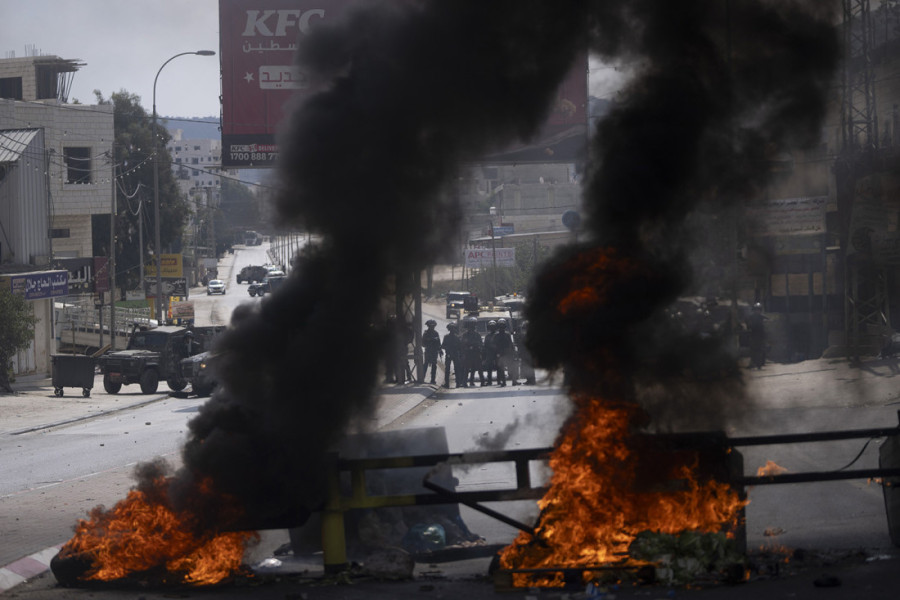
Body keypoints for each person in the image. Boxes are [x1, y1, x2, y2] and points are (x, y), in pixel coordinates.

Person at [460, 317, 483, 387]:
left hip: (476, 353)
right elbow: (463, 344)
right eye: (471, 325)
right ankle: (464, 382)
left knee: (477, 368)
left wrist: (478, 348)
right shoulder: (465, 335)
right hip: (468, 353)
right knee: (466, 369)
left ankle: (474, 381)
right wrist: (465, 351)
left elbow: (480, 343)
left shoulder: (477, 334)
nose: (472, 327)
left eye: (473, 325)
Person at [494, 318, 514, 387]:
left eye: (502, 326)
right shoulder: (502, 335)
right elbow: (495, 345)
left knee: (508, 368)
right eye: (500, 326)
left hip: (505, 353)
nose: (501, 327)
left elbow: (510, 344)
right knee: (504, 368)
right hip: (503, 353)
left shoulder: (505, 334)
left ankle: (511, 381)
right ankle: (507, 382)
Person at [422, 319, 442, 385]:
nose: (432, 327)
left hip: (434, 351)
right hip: (428, 351)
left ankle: (433, 379)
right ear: (428, 326)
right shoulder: (425, 333)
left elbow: (439, 343)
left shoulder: (436, 333)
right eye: (430, 326)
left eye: (433, 326)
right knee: (425, 364)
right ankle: (422, 378)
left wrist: (440, 350)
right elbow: (422, 343)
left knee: (434, 365)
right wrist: (429, 340)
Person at [747, 302, 767, 370]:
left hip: (761, 336)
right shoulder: (751, 317)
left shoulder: (763, 317)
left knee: (760, 351)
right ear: (754, 310)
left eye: (759, 309)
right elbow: (748, 325)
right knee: (753, 351)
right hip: (753, 336)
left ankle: (760, 364)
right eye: (756, 309)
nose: (757, 311)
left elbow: (768, 322)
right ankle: (753, 363)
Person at [441, 322, 462, 387]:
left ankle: (456, 383)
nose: (452, 330)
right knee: (451, 369)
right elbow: (443, 346)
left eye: (453, 329)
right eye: (451, 329)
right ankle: (451, 383)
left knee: (455, 369)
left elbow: (460, 347)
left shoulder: (455, 337)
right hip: (450, 354)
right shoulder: (454, 337)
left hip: (453, 354)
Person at [516, 320, 535, 385]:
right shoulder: (526, 335)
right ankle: (529, 380)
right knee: (526, 367)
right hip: (525, 353)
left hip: (528, 353)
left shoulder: (529, 335)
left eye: (524, 327)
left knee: (529, 367)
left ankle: (531, 380)